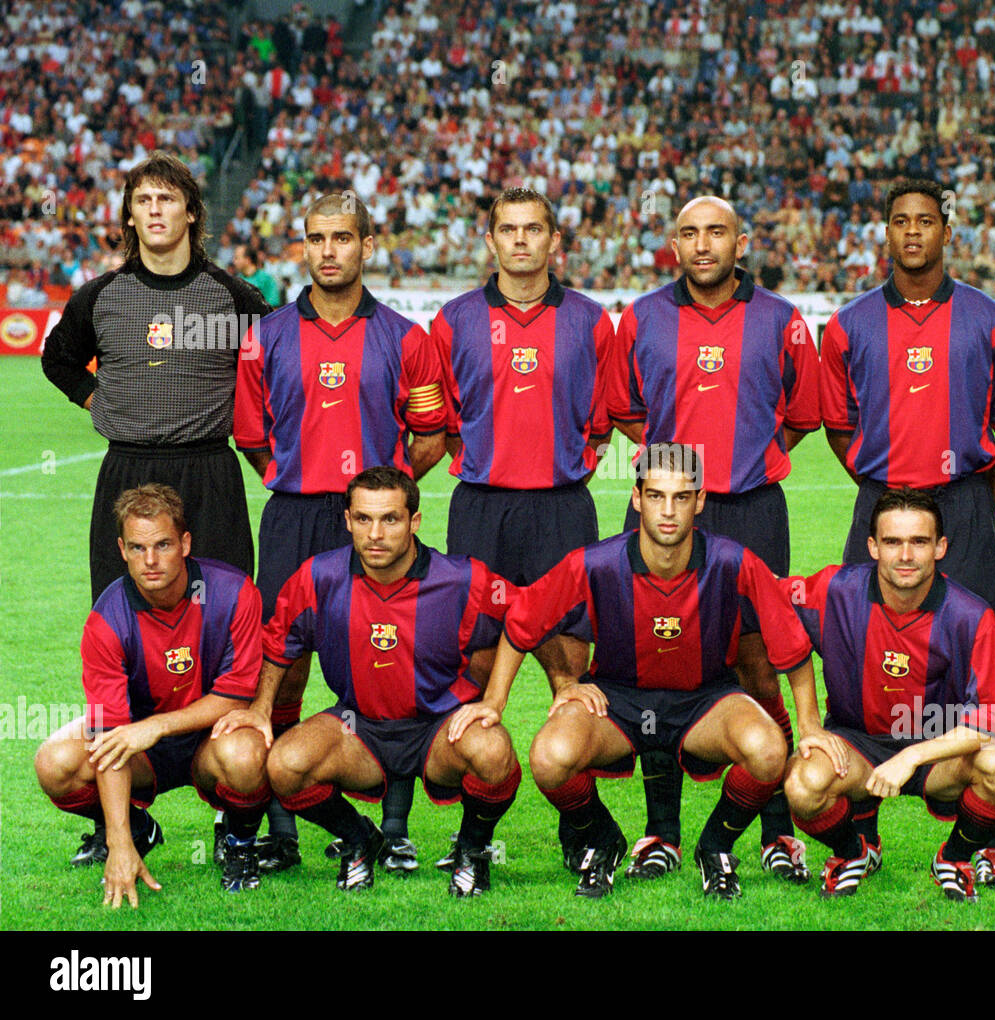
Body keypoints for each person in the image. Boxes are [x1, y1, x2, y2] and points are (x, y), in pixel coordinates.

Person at [451, 444, 836, 900]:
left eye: (680, 497)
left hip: (706, 700)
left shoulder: (734, 562)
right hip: (617, 699)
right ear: (637, 499)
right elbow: (521, 622)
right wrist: (497, 701)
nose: (667, 511)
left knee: (769, 749)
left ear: (700, 501)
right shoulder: (594, 563)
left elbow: (791, 645)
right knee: (549, 757)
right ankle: (603, 838)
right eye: (655, 496)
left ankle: (715, 847)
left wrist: (809, 725)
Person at [607, 196, 822, 883]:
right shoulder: (641, 318)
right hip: (667, 513)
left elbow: (803, 414)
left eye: (717, 232)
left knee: (761, 668)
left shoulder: (783, 320)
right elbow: (626, 411)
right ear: (675, 242)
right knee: (658, 664)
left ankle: (777, 829)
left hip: (753, 511)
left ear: (741, 241)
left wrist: (745, 462)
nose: (703, 245)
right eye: (690, 233)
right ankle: (660, 831)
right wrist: (681, 479)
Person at [234, 192, 446, 874]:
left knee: (391, 665)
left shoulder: (406, 338)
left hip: (372, 520)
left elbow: (433, 435)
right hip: (295, 514)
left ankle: (396, 826)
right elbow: (252, 437)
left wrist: (377, 495)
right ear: (304, 245)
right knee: (283, 666)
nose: (330, 251)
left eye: (343, 238)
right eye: (317, 239)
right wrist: (297, 477)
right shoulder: (264, 334)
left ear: (367, 246)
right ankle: (283, 828)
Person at [226, 467, 520, 895]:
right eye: (363, 519)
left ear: (414, 521)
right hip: (358, 728)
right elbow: (279, 642)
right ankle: (358, 839)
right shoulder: (319, 576)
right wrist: (260, 707)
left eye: (390, 519)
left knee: (493, 750)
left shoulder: (461, 578)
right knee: (284, 765)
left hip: (438, 729)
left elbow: (525, 616)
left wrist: (494, 700)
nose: (375, 534)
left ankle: (473, 851)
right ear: (347, 520)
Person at [41, 152, 270, 604]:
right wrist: (97, 400)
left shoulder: (231, 296)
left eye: (166, 198)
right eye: (142, 199)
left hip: (209, 473)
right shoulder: (101, 295)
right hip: (127, 470)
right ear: (129, 215)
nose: (154, 208)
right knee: (124, 616)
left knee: (222, 612)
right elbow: (58, 358)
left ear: (190, 211)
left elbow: (279, 361)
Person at [34, 484, 269, 905]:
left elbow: (236, 697)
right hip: (141, 749)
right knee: (56, 762)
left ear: (185, 543)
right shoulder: (106, 620)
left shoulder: (236, 592)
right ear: (122, 549)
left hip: (211, 737)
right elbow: (110, 737)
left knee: (247, 755)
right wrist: (120, 841)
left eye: (163, 544)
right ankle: (135, 828)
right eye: (139, 548)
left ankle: (238, 842)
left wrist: (155, 726)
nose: (151, 560)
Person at [782, 488, 995, 900]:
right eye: (892, 541)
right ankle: (854, 852)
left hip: (935, 749)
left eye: (919, 542)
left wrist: (912, 756)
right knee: (803, 784)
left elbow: (993, 719)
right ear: (872, 546)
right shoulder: (836, 589)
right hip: (857, 744)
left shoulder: (971, 615)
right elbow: (773, 608)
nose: (905, 555)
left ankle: (955, 855)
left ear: (940, 547)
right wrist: (808, 721)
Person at [430, 187, 612, 695]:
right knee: (474, 667)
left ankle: (574, 770)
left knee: (573, 670)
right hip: (481, 510)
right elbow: (446, 424)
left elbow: (601, 424)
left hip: (563, 509)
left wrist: (556, 470)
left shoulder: (591, 320)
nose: (520, 240)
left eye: (533, 229)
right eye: (508, 230)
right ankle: (465, 772)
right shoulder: (453, 320)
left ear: (554, 240)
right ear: (491, 241)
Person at [820, 177, 995, 614]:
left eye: (925, 221)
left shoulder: (994, 322)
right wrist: (881, 483)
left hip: (965, 505)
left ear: (946, 233)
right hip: (879, 501)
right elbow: (838, 428)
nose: (912, 231)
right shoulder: (848, 325)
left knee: (978, 652)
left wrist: (979, 503)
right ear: (887, 233)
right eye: (901, 222)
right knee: (866, 644)